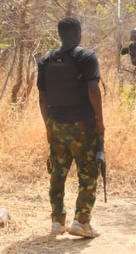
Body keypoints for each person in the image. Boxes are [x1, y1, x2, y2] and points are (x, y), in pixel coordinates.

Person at [37, 17, 104, 238]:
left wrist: (48, 125)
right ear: (78, 33)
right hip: (82, 126)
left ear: (60, 34)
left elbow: (42, 98)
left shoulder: (46, 60)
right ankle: (81, 222)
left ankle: (57, 221)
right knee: (88, 173)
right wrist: (100, 122)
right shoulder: (87, 57)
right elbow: (93, 90)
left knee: (57, 173)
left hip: (56, 124)